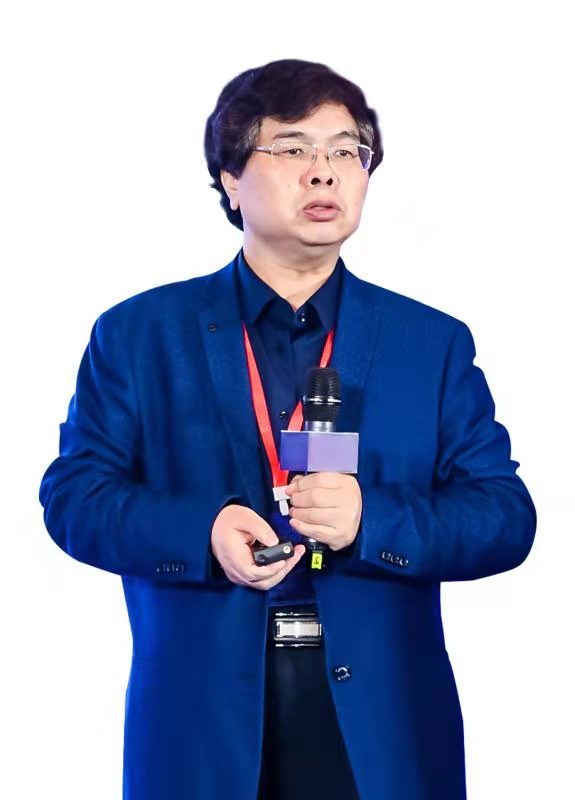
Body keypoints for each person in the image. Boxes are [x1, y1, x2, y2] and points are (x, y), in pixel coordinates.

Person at [39, 58, 537, 800]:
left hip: (386, 726)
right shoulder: (141, 333)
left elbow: (503, 517)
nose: (324, 171)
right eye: (293, 148)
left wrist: (371, 518)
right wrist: (201, 531)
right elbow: (74, 497)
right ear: (230, 180)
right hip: (202, 721)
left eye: (347, 151)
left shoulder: (428, 342)